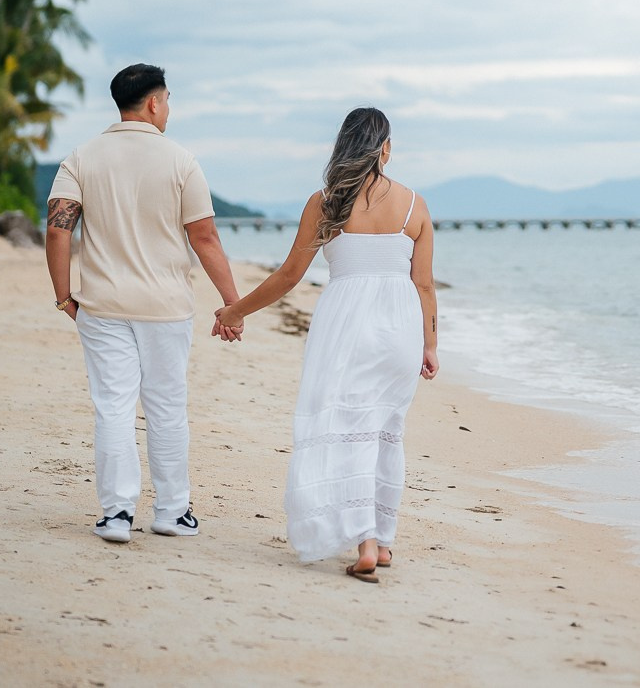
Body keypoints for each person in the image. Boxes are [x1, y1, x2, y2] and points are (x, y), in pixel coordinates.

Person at [216, 107, 439, 582]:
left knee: (349, 428)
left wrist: (236, 310)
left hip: (347, 324)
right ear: (385, 148)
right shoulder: (415, 206)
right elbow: (424, 286)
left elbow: (289, 276)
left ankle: (364, 542)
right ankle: (382, 539)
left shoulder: (325, 203)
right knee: (385, 431)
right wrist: (430, 344)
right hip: (400, 328)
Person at [45, 63, 242, 544]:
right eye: (168, 100)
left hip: (102, 305)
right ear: (154, 102)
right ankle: (172, 513)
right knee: (167, 407)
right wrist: (233, 304)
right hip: (166, 308)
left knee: (112, 407)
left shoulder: (81, 157)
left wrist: (63, 296)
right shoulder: (181, 160)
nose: (169, 110)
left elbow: (57, 228)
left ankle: (116, 514)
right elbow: (206, 237)